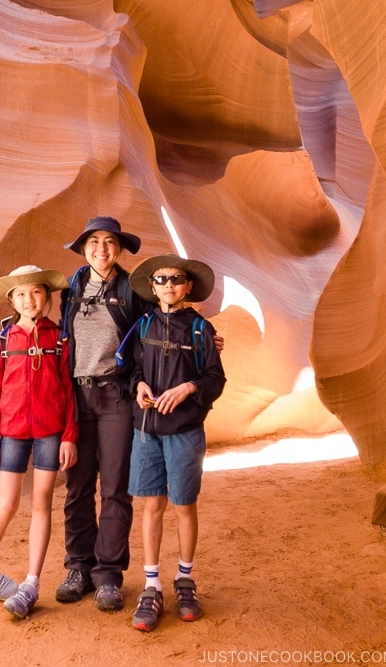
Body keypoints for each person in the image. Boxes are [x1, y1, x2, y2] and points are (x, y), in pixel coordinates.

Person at [55, 217, 224, 613]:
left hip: (118, 397)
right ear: (83, 248)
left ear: (120, 248)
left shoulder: (135, 292)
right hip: (78, 396)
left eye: (109, 241)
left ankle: (109, 575)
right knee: (78, 486)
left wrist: (210, 339)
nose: (101, 248)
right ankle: (78, 567)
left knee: (115, 487)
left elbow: (173, 321)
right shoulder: (72, 288)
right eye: (93, 241)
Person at [126, 254, 226, 632]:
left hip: (185, 430)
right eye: (161, 279)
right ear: (152, 288)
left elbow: (215, 378)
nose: (169, 284)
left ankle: (185, 580)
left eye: (177, 279)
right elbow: (133, 367)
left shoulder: (201, 329)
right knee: (151, 505)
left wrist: (189, 388)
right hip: (147, 429)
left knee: (184, 504)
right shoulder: (143, 325)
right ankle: (151, 585)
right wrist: (139, 386)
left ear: (188, 287)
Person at [0, 265, 78, 619]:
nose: (29, 300)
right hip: (12, 434)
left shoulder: (59, 338)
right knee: (6, 504)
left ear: (46, 297)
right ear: (12, 301)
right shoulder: (4, 341)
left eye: (35, 292)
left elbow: (68, 389)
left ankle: (31, 583)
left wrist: (69, 435)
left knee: (42, 503)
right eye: (20, 294)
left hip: (50, 432)